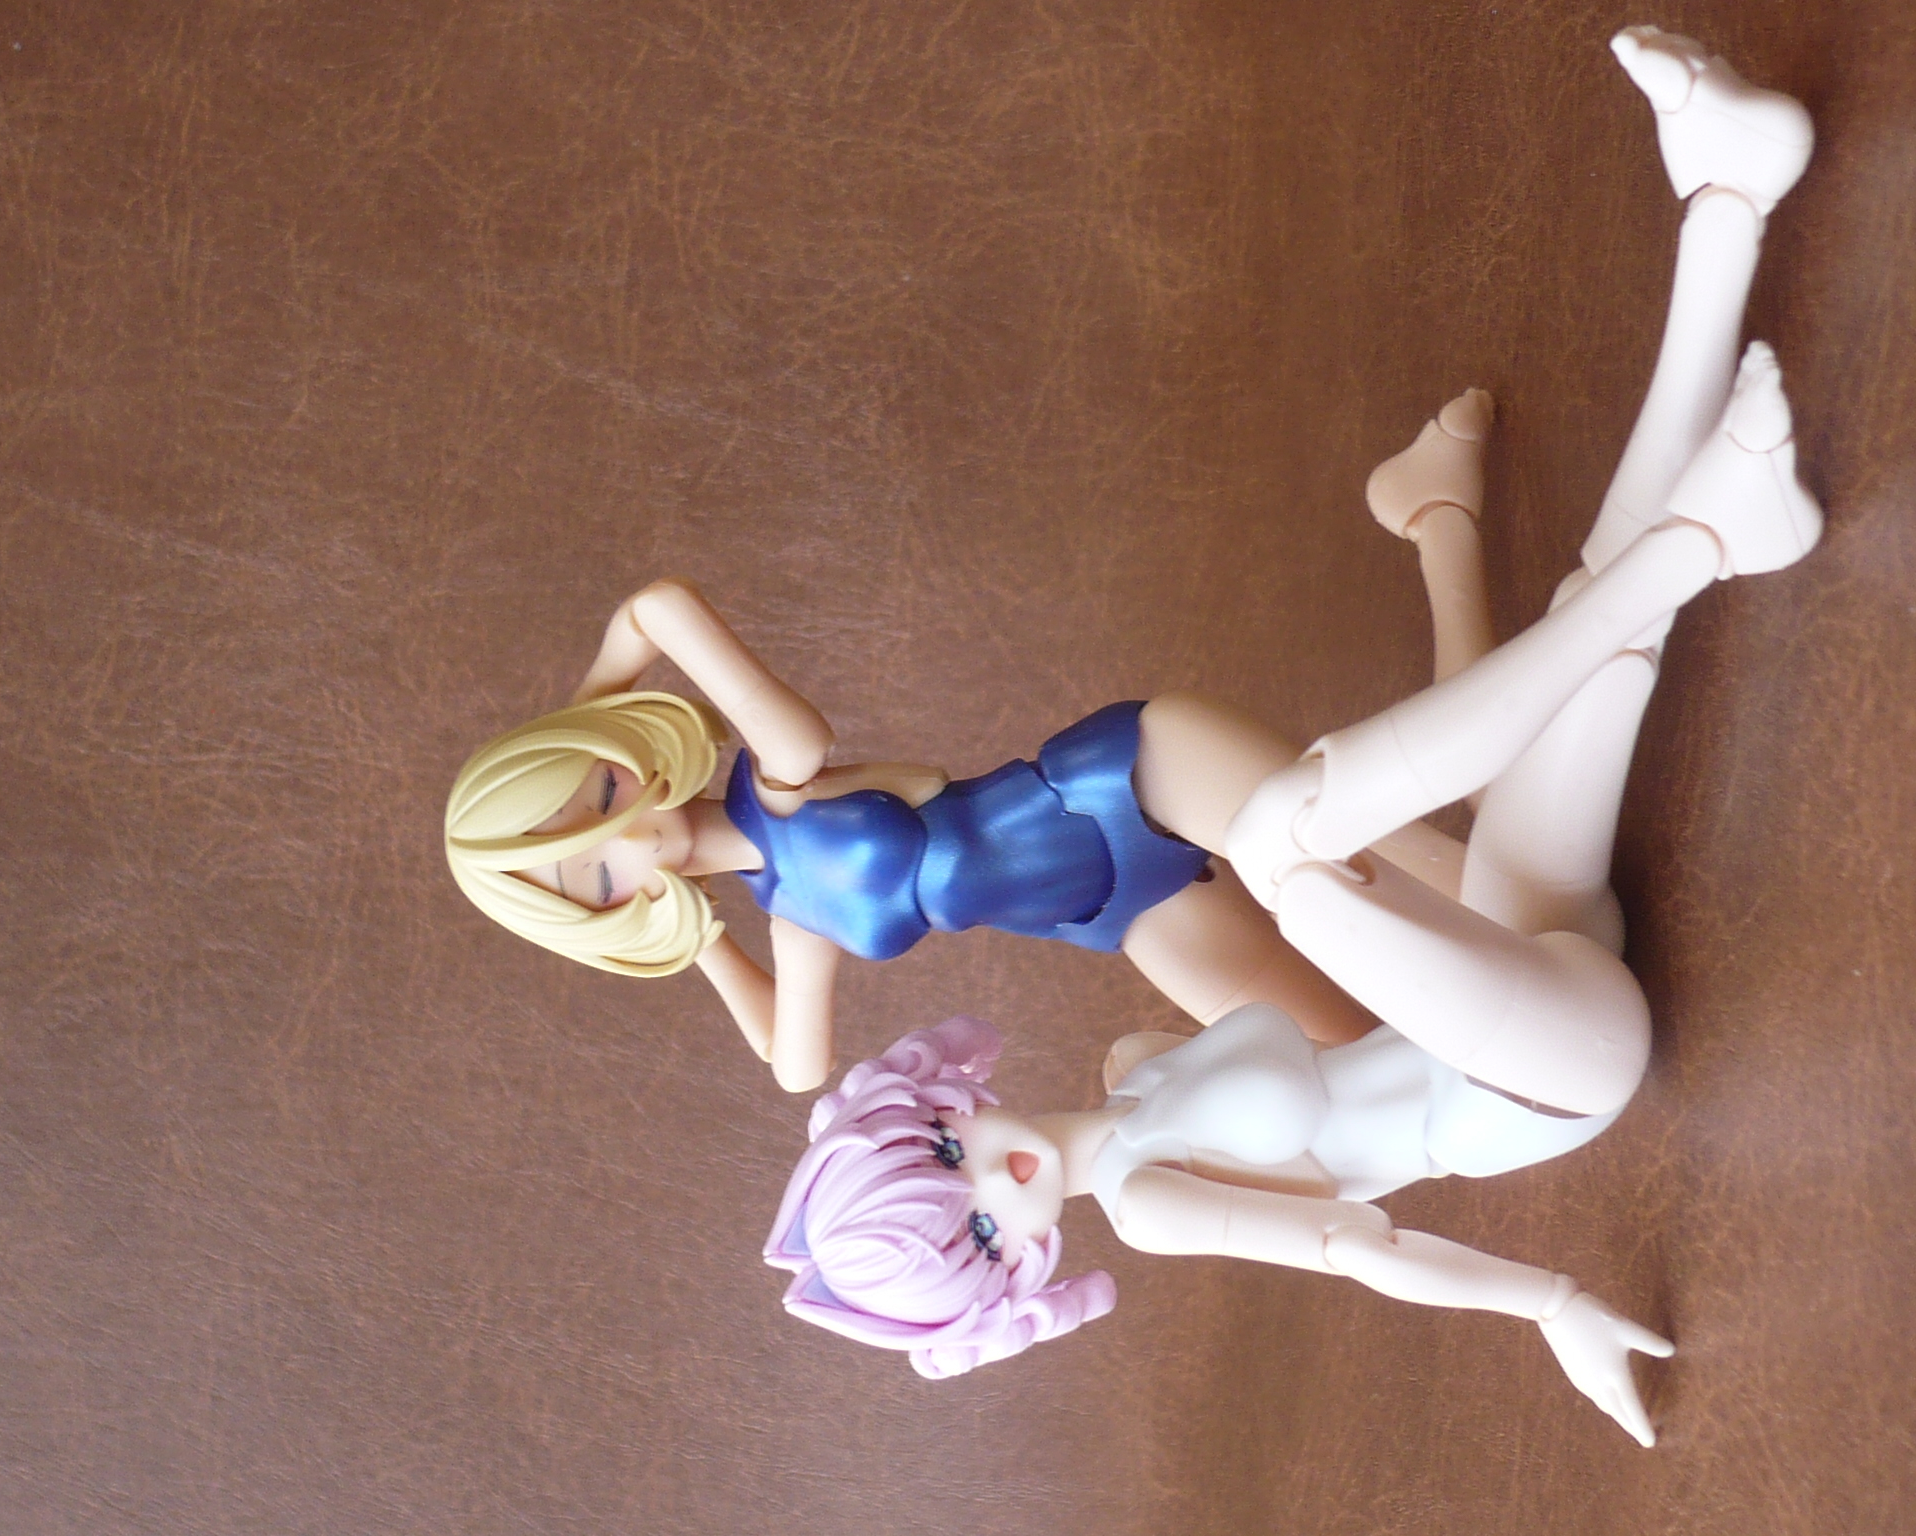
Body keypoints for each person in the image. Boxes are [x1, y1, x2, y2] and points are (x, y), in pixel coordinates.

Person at [761, 27, 1822, 1446]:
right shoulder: (1150, 1201)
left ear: (934, 1105)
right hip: (1541, 1076)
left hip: (1522, 950)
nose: (992, 1176)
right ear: (1014, 1278)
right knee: (1284, 844)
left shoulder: (1134, 1070)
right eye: (981, 1231)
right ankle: (1706, 541)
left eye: (944, 1153)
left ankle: (1730, 202)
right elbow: (1362, 1252)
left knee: (1591, 633)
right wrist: (1555, 1305)